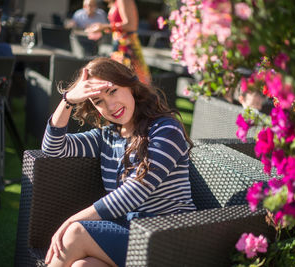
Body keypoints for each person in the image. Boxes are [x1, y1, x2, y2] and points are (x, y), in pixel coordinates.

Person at [42, 57, 196, 267]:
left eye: (112, 91)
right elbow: (53, 149)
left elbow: (134, 192)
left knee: (75, 233)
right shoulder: (107, 136)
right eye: (98, 101)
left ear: (130, 86)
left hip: (169, 238)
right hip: (131, 231)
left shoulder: (166, 130)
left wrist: (72, 220)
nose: (111, 105)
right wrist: (68, 100)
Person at [85, 0, 151, 85]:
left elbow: (131, 26)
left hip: (127, 47)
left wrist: (104, 27)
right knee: (120, 81)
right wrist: (102, 31)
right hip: (120, 46)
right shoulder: (116, 2)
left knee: (131, 81)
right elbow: (118, 27)